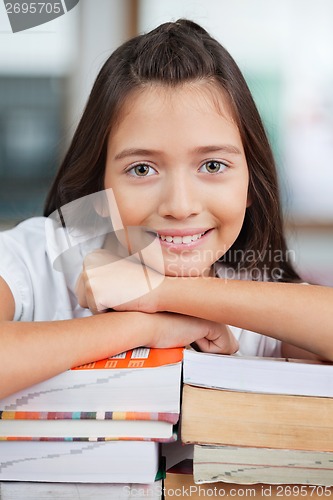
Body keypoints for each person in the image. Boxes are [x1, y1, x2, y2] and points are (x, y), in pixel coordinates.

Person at [0, 19, 332, 400]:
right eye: (142, 169)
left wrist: (161, 292)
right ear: (99, 189)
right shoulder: (35, 258)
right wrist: (146, 326)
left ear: (250, 187)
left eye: (212, 166)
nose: (179, 206)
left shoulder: (259, 303)